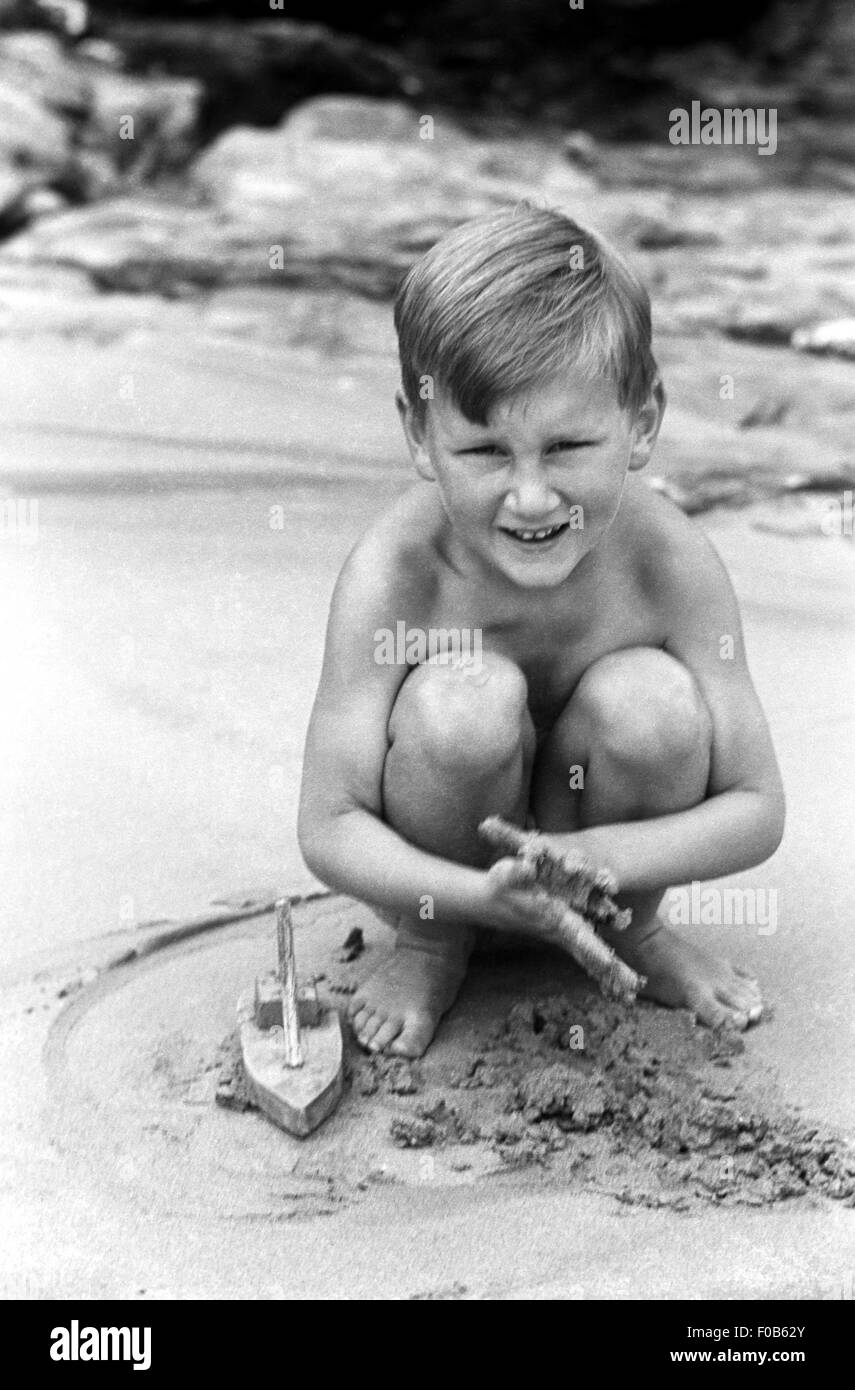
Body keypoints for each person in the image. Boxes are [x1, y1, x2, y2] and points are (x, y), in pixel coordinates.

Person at [298, 204, 785, 1058]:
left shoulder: (670, 563)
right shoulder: (397, 574)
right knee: (464, 698)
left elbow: (756, 808)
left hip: (607, 869)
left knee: (652, 702)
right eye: (486, 453)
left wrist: (596, 856)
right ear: (418, 434)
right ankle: (433, 948)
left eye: (566, 447)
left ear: (641, 423)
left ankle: (632, 934)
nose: (529, 496)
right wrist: (470, 899)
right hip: (447, 883)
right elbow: (329, 824)